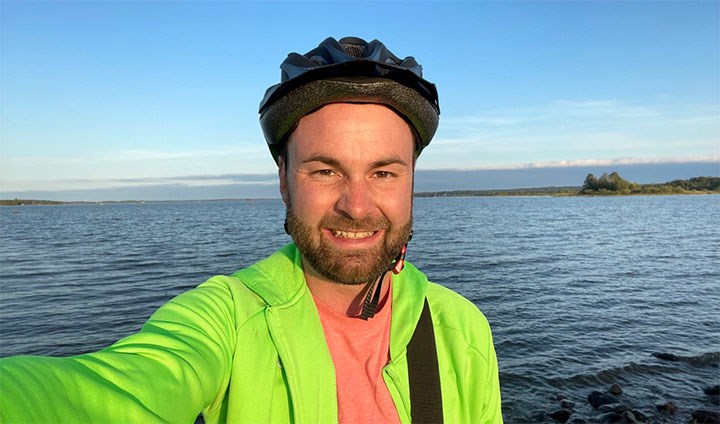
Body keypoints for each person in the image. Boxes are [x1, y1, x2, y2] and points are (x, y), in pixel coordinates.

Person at [0, 36, 502, 423]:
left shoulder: (461, 329)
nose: (356, 205)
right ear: (284, 181)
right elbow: (113, 391)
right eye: (324, 171)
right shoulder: (224, 320)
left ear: (411, 181)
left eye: (384, 173)